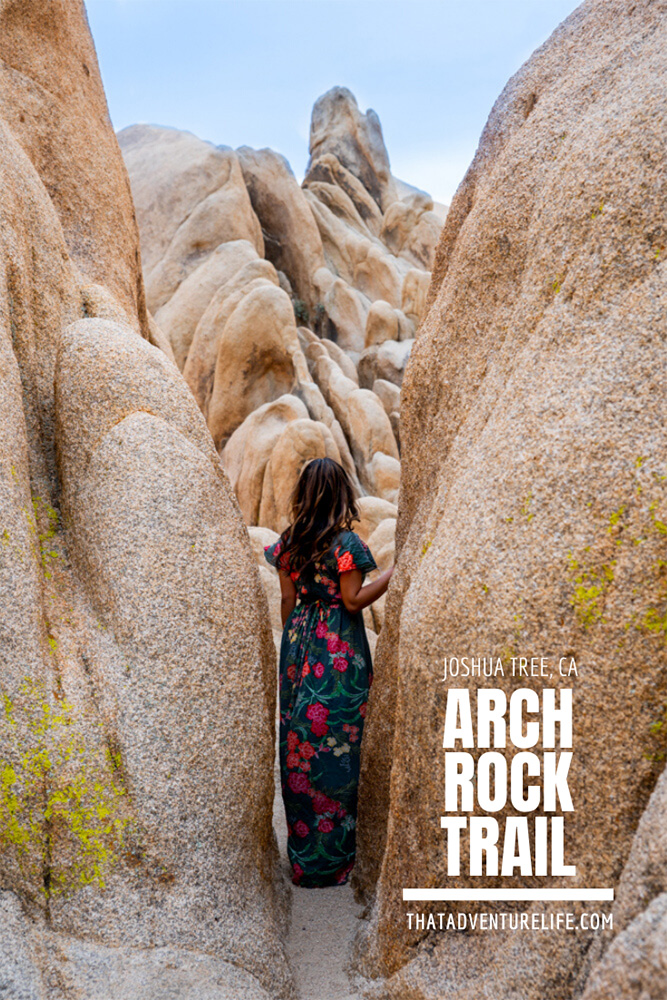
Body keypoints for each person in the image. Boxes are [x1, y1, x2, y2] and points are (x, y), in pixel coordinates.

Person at [264, 457, 393, 888]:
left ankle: (305, 860)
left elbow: (287, 599)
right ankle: (339, 859)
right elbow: (354, 600)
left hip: (300, 643)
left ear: (303, 494)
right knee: (341, 747)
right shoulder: (346, 545)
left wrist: (294, 636)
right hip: (338, 645)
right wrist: (393, 573)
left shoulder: (288, 543)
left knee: (299, 742)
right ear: (342, 495)